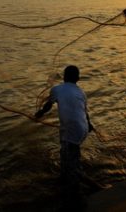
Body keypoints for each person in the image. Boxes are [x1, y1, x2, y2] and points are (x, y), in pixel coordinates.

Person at [35, 65, 93, 205]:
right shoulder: (81, 92)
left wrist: (40, 113)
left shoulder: (57, 89)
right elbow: (84, 112)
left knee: (69, 159)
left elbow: (49, 105)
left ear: (64, 77)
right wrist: (90, 125)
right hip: (83, 128)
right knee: (71, 153)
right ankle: (72, 175)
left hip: (72, 130)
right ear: (78, 79)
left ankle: (74, 189)